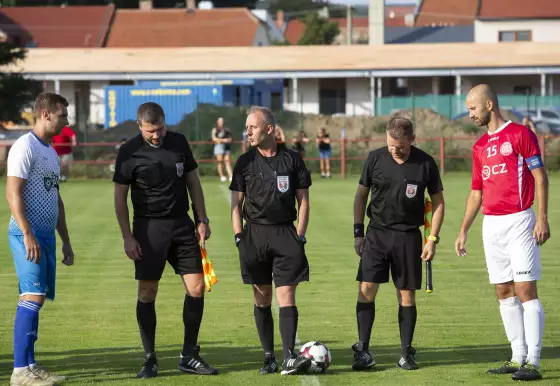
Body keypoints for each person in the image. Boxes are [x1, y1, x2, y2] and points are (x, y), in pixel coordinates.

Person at [113, 102, 218, 379]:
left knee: (196, 288)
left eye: (160, 129)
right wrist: (127, 236)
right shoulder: (129, 152)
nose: (157, 135)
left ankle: (188, 355)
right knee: (147, 293)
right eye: (150, 131)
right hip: (148, 229)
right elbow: (119, 199)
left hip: (182, 225)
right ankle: (150, 359)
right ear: (140, 127)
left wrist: (202, 219)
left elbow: (193, 182)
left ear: (165, 123)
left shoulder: (179, 142)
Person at [455, 84, 550, 381]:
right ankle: (516, 356)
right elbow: (476, 192)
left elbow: (540, 176)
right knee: (503, 292)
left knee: (525, 291)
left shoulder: (521, 134)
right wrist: (463, 230)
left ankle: (533, 361)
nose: (470, 114)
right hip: (491, 224)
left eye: (473, 108)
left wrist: (542, 218)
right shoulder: (480, 147)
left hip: (520, 220)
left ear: (489, 105)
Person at [352, 117, 445, 372]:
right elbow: (361, 196)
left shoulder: (425, 163)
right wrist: (358, 232)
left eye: (400, 146)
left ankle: (406, 352)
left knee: (406, 294)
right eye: (390, 145)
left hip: (408, 236)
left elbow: (438, 203)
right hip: (377, 234)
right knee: (367, 288)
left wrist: (432, 239)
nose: (394, 150)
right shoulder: (374, 158)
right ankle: (363, 349)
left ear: (412, 140)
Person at [229, 106, 313, 376]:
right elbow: (235, 203)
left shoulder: (292, 159)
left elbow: (304, 201)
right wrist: (239, 237)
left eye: (252, 127)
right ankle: (269, 356)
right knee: (262, 297)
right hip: (254, 235)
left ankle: (289, 356)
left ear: (269, 129)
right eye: (246, 127)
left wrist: (299, 234)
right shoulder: (244, 162)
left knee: (286, 294)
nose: (248, 131)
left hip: (285, 234)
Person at [6, 92, 75, 386]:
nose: (67, 121)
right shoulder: (25, 146)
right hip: (27, 235)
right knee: (32, 296)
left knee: (38, 299)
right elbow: (13, 193)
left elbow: (55, 199)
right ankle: (20, 371)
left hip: (45, 236)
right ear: (46, 114)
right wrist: (27, 232)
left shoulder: (50, 151)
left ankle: (30, 366)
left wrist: (66, 240)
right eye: (63, 115)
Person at [211, 117, 233, 182]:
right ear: (217, 122)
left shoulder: (226, 130)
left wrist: (227, 140)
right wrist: (222, 140)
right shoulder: (215, 129)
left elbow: (230, 139)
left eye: (222, 121)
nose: (221, 122)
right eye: (220, 121)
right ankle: (222, 176)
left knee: (227, 161)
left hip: (226, 147)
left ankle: (231, 176)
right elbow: (214, 139)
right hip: (218, 146)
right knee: (220, 161)